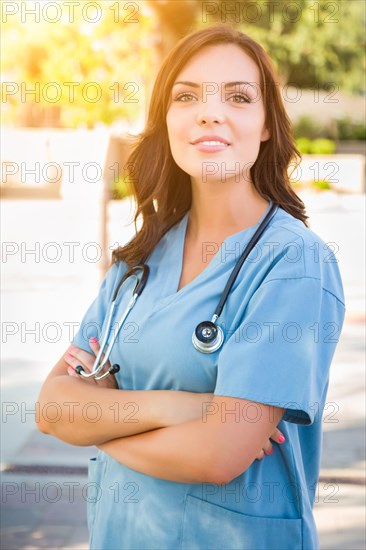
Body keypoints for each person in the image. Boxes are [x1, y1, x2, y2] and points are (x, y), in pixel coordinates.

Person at [37, 24, 346, 550]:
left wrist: (100, 426)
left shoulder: (294, 263)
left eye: (238, 97)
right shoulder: (141, 258)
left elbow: (217, 455)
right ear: (167, 119)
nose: (209, 112)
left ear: (267, 124)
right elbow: (52, 408)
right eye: (187, 96)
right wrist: (182, 409)